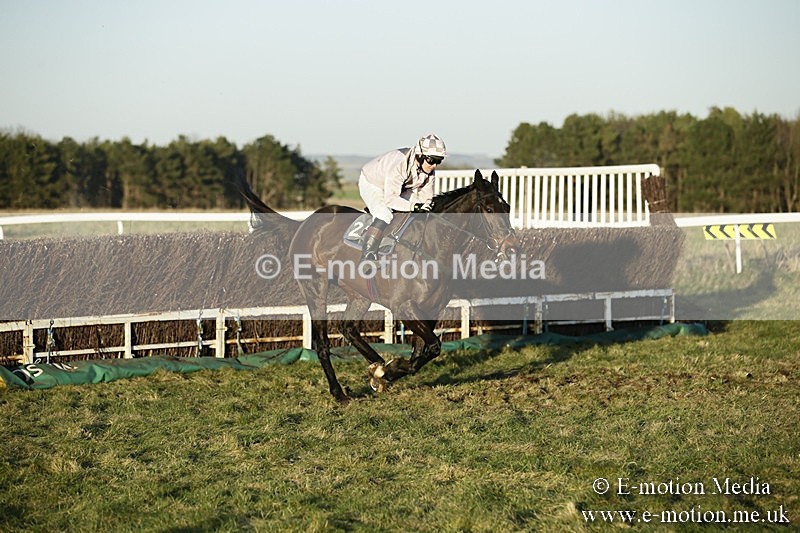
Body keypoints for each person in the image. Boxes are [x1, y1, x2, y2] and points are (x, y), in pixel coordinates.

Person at [357, 133, 447, 263]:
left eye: (438, 161)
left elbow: (426, 199)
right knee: (384, 214)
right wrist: (413, 206)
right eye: (431, 160)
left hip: (397, 186)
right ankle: (367, 256)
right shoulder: (400, 163)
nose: (434, 165)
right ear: (420, 156)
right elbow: (390, 199)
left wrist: (424, 206)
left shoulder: (429, 171)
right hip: (372, 183)